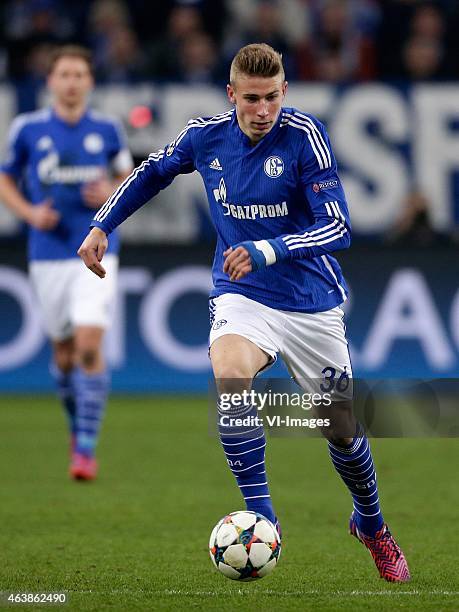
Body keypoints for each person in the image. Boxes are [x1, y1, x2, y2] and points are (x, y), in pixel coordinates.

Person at [78, 43, 410, 581]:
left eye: (272, 98)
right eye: (251, 99)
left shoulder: (304, 139)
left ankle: (371, 524)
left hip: (310, 301)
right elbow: (150, 172)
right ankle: (263, 515)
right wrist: (101, 226)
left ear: (285, 92)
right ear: (232, 95)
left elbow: (340, 228)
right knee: (230, 374)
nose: (262, 110)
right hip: (242, 292)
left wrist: (269, 248)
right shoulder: (205, 136)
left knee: (341, 429)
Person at [0, 45, 134, 480]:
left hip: (95, 251)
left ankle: (86, 451)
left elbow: (129, 177)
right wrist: (29, 213)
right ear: (51, 82)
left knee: (89, 346)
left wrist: (110, 191)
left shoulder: (107, 130)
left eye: (80, 74)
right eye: (65, 74)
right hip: (47, 254)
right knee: (62, 353)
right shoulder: (27, 129)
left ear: (90, 82)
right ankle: (77, 427)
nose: (72, 81)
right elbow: (5, 177)